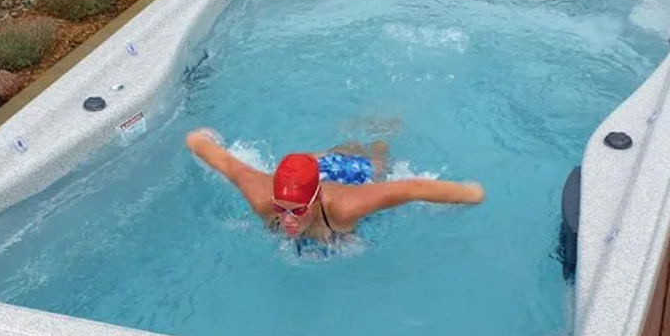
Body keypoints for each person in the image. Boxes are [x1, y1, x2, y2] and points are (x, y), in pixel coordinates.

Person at [186, 129, 485, 242]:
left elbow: (411, 188)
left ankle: (382, 129)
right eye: (283, 209)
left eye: (298, 210)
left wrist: (470, 194)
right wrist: (199, 137)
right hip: (303, 171)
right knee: (330, 153)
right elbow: (225, 162)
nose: (287, 220)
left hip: (341, 175)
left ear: (316, 201)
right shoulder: (263, 197)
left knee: (376, 161)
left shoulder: (346, 207)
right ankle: (329, 152)